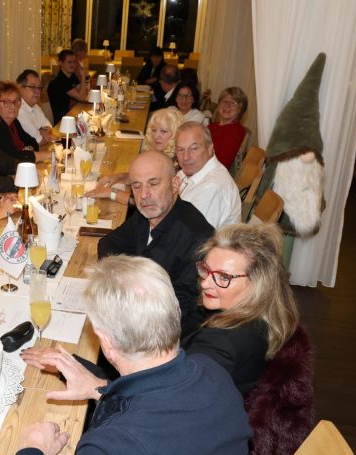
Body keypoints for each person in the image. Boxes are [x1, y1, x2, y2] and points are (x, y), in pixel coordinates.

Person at [17, 256, 252, 454]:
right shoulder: (213, 372)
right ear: (177, 312)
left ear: (106, 342)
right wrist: (99, 390)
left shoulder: (108, 446)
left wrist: (33, 447)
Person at [98, 151, 214, 336]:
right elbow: (108, 244)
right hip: (131, 314)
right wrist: (128, 280)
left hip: (162, 336)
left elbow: (180, 311)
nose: (144, 195)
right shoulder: (146, 214)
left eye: (153, 184)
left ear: (174, 185)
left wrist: (127, 288)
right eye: (137, 186)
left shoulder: (197, 238)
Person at [183, 223, 299, 395]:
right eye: (206, 269)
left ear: (257, 283)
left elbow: (179, 397)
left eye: (224, 277)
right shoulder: (261, 316)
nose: (205, 283)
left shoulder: (220, 344)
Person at [86, 109, 184, 205]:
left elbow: (148, 201)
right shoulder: (159, 155)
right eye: (154, 130)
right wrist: (117, 177)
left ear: (175, 135)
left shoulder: (174, 164)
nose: (156, 135)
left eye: (163, 131)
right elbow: (143, 178)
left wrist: (111, 193)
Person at [175, 121, 242, 228]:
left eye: (194, 148)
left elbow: (187, 233)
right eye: (180, 150)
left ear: (210, 149)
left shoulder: (213, 187)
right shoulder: (189, 171)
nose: (186, 157)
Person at [0, 81, 50, 163]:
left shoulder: (14, 122)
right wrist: (48, 155)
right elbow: (13, 157)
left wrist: (25, 152)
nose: (13, 106)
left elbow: (32, 142)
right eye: (7, 102)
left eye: (16, 102)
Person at [208, 86, 249, 169]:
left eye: (233, 103)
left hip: (213, 171)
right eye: (224, 101)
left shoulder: (237, 131)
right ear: (219, 105)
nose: (227, 105)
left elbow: (222, 163)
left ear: (240, 109)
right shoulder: (211, 126)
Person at [48, 49, 90, 124]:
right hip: (62, 120)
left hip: (70, 113)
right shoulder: (60, 80)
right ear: (60, 63)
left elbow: (83, 92)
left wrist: (84, 81)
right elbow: (82, 98)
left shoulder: (71, 75)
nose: (73, 65)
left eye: (74, 62)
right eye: (69, 62)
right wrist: (83, 77)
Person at [16, 69, 57, 146]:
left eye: (39, 87)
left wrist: (40, 131)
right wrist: (43, 133)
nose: (37, 91)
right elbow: (38, 141)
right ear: (20, 89)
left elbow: (49, 127)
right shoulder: (18, 110)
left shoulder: (35, 106)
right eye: (32, 87)